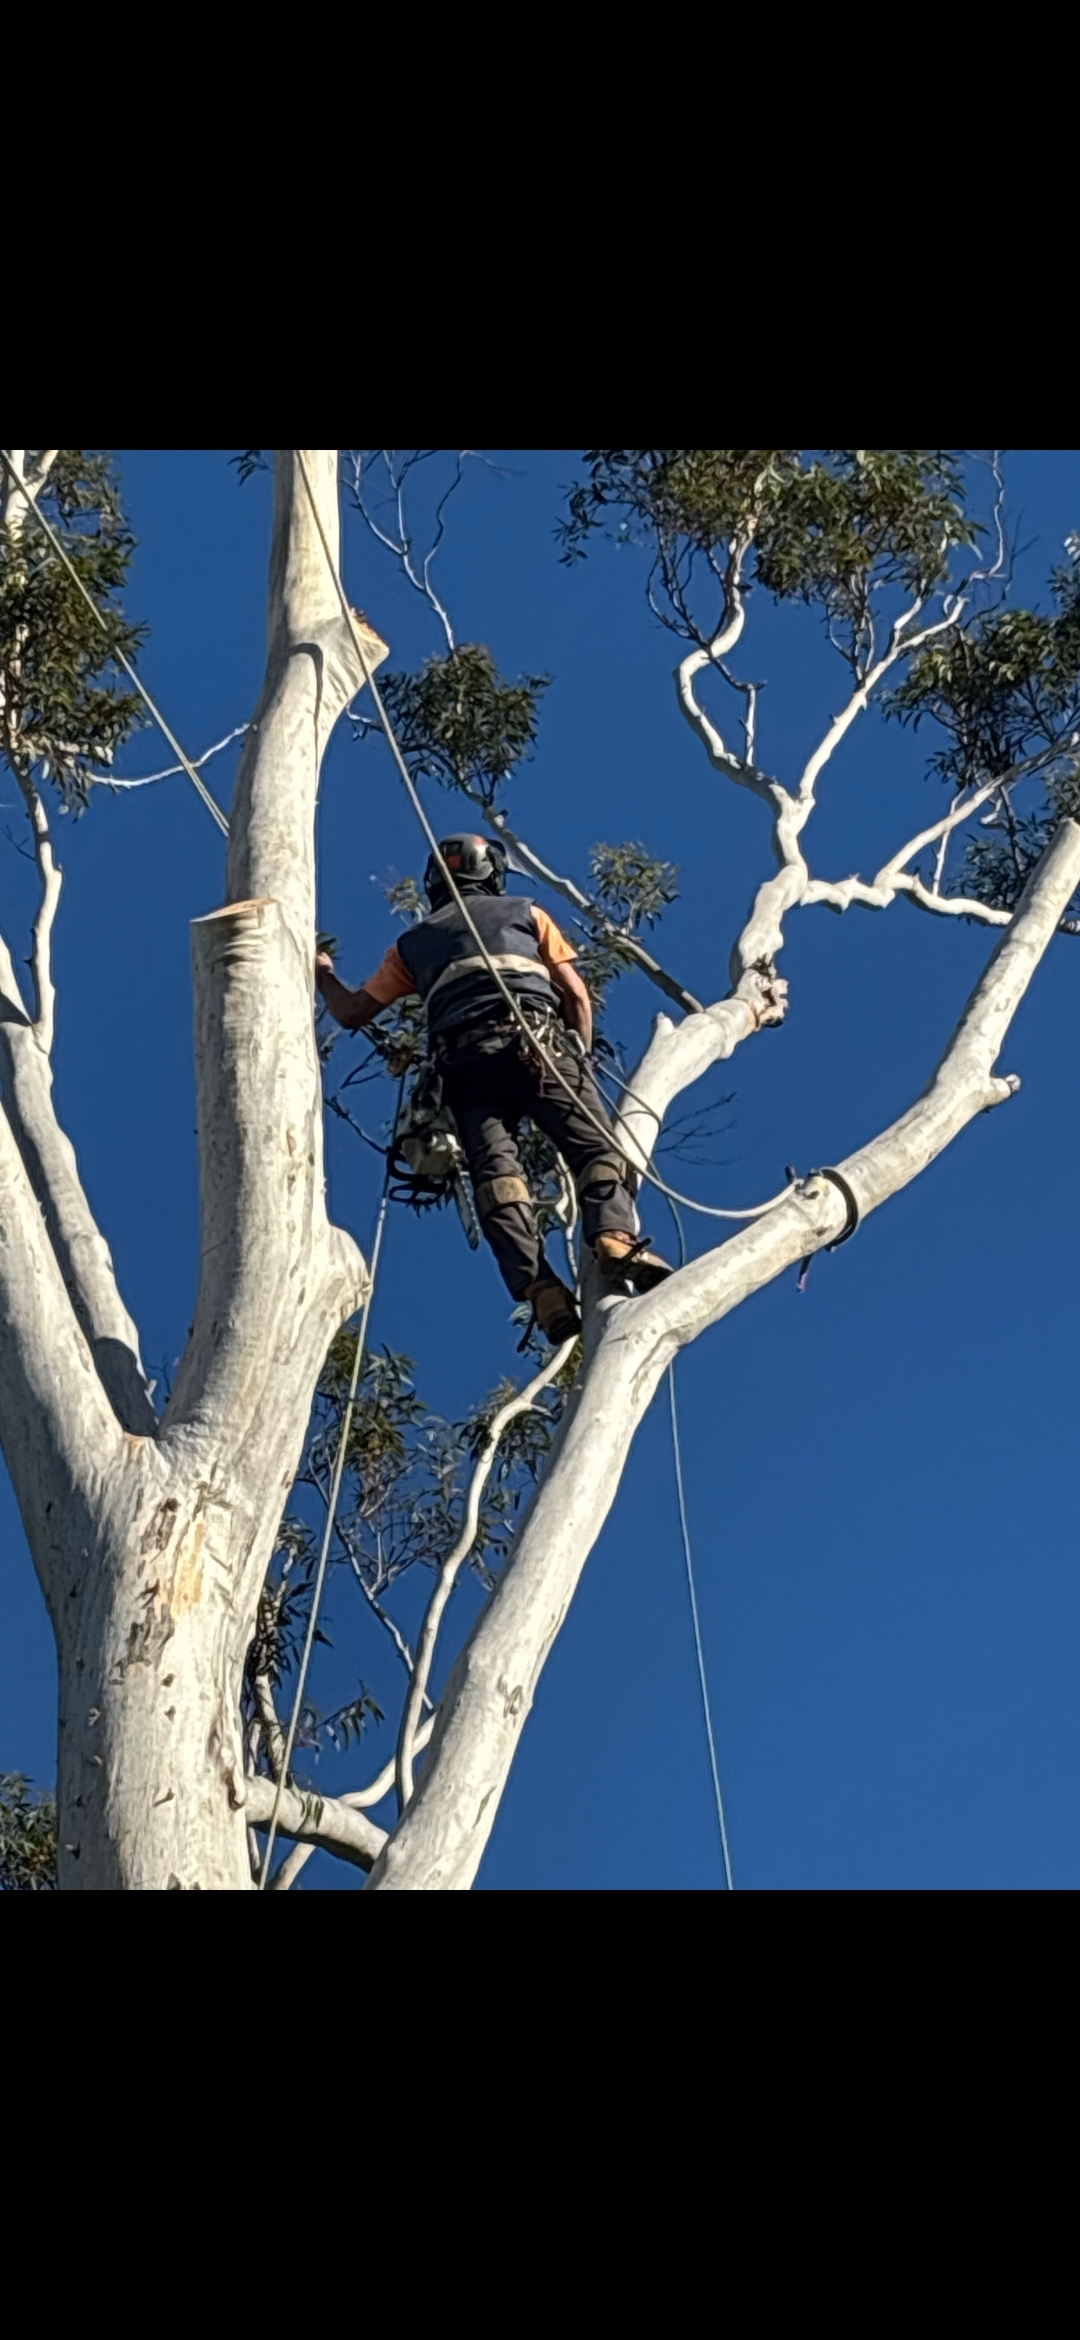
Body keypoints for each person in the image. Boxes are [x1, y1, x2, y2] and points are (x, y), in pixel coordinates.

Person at [315, 834, 672, 1343]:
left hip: (463, 1065)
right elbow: (575, 993)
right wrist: (579, 1056)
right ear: (491, 872)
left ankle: (540, 1290)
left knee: (498, 1177)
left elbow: (352, 1013)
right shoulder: (527, 912)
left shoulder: (410, 946)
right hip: (538, 1044)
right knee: (596, 1147)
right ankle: (613, 1238)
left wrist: (323, 974)